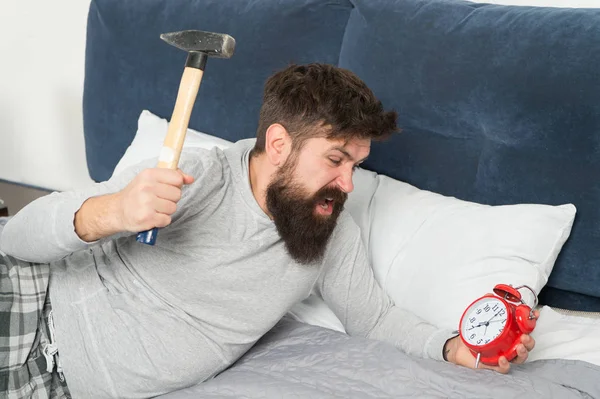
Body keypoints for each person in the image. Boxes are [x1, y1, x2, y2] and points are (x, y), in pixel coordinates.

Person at [0, 63, 536, 399]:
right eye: (335, 159)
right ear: (279, 144)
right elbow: (17, 239)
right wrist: (112, 212)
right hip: (34, 306)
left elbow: (375, 318)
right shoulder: (196, 177)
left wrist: (454, 350)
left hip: (58, 384)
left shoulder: (326, 230)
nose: (347, 183)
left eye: (357, 165)